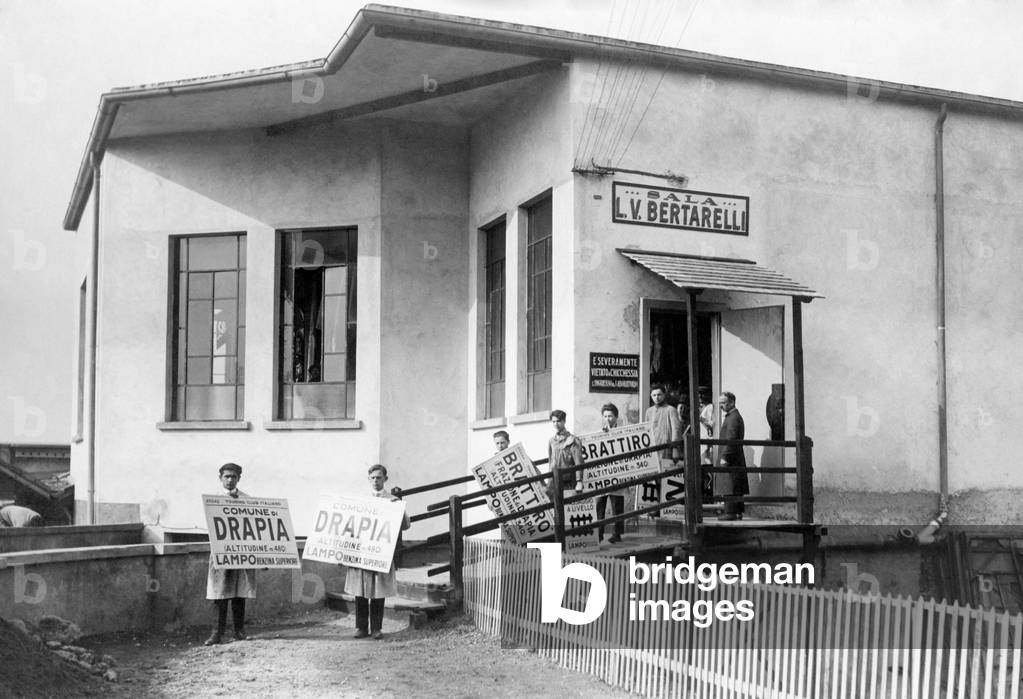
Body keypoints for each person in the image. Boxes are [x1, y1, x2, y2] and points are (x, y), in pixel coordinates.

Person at [344, 464, 411, 639]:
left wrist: (400, 510)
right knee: (361, 590)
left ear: (385, 479)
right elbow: (350, 525)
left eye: (379, 477)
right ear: (368, 479)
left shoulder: (392, 500)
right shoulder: (361, 500)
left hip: (381, 552)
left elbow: (405, 526)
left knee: (378, 591)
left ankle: (376, 628)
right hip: (363, 551)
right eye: (373, 478)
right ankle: (361, 627)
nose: (376, 481)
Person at [205, 463, 255, 645]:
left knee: (239, 592)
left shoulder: (248, 499)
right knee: (220, 592)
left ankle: (239, 631)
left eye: (233, 476)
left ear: (239, 478)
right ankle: (216, 633)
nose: (230, 480)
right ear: (220, 478)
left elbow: (255, 528)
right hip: (221, 552)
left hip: (242, 553)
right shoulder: (213, 500)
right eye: (226, 476)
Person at [596, 403, 627, 544]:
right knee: (599, 506)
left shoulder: (623, 431)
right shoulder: (599, 433)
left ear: (616, 417)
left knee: (617, 506)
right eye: (605, 416)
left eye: (610, 416)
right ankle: (599, 534)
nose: (608, 419)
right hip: (603, 475)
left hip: (617, 473)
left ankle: (617, 534)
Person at [717, 392, 749, 520]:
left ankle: (730, 513)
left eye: (723, 403)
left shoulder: (733, 418)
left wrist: (725, 456)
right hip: (734, 456)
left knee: (730, 484)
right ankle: (736, 512)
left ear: (732, 403)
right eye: (720, 403)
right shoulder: (733, 416)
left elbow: (732, 438)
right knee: (734, 484)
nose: (721, 406)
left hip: (731, 457)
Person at [547, 409, 584, 498]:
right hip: (555, 480)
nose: (556, 424)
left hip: (569, 481)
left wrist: (579, 481)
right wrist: (549, 481)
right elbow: (550, 461)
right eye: (554, 421)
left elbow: (579, 462)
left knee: (568, 507)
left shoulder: (572, 440)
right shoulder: (552, 441)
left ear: (564, 421)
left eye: (559, 421)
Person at [644, 385, 682, 465]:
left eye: (659, 395)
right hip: (652, 446)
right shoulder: (649, 411)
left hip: (666, 447)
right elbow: (646, 429)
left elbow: (676, 429)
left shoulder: (670, 409)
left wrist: (675, 447)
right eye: (654, 395)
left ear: (664, 395)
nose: (656, 397)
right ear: (651, 396)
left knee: (666, 470)